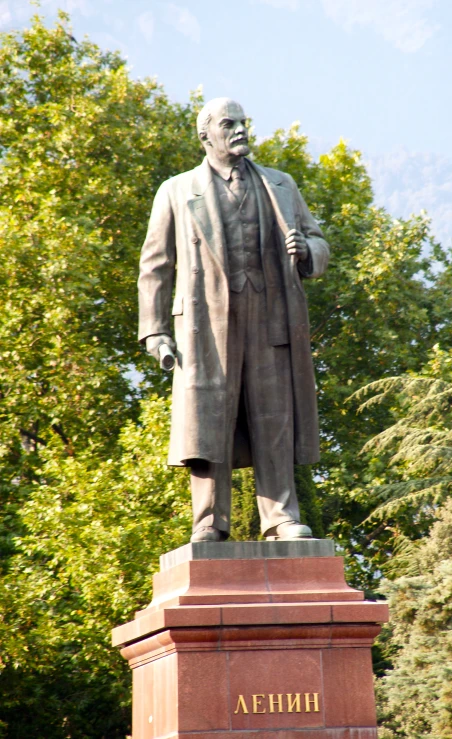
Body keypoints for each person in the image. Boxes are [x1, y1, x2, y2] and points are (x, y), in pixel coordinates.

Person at [138, 98, 329, 542]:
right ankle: (209, 521)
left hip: (271, 320)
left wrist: (308, 253)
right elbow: (155, 265)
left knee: (274, 417)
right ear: (206, 135)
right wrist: (155, 330)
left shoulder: (280, 186)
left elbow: (319, 244)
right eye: (229, 124)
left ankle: (281, 516)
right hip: (204, 328)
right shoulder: (176, 190)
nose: (241, 130)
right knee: (207, 422)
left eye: (243, 122)